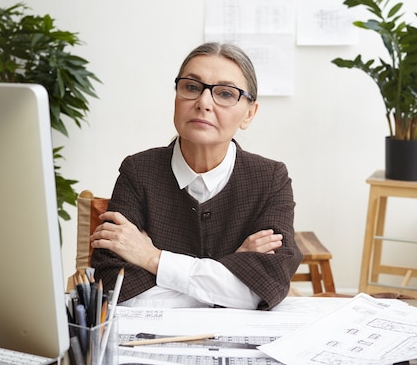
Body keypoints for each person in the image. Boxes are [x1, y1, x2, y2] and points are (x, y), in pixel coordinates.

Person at [90, 42, 302, 310]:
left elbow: (267, 287)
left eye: (225, 93)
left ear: (249, 113)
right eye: (191, 87)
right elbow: (117, 289)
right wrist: (229, 277)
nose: (204, 102)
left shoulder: (271, 178)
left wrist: (153, 258)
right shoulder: (138, 171)